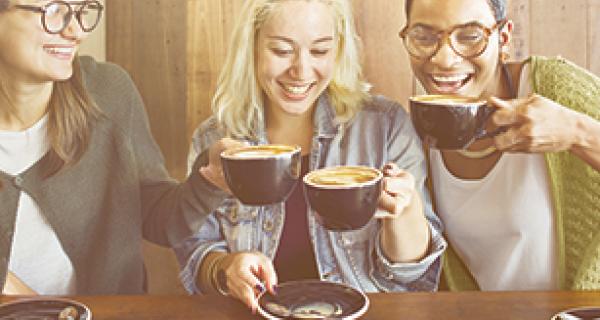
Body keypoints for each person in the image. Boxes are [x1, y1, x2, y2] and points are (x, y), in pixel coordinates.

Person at [175, 0, 447, 311]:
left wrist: (405, 210)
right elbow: (195, 249)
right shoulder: (214, 140)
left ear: (339, 50)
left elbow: (411, 275)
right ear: (251, 47)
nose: (301, 71)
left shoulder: (385, 126)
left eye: (319, 51)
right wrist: (226, 269)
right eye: (281, 50)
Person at [0, 0, 231, 295]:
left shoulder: (110, 92)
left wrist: (209, 181)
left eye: (81, 11)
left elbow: (160, 220)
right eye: (54, 10)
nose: (76, 31)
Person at [401, 0, 600, 291]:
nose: (444, 59)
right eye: (424, 37)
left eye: (470, 36)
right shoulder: (418, 134)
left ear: (503, 37)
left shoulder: (552, 87)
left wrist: (577, 133)